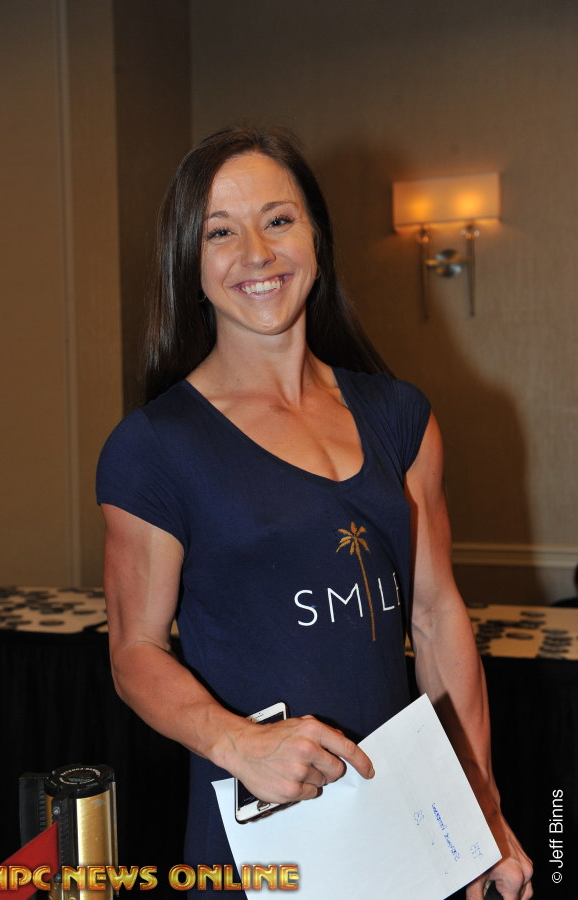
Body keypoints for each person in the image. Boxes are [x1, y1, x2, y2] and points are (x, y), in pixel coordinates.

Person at [96, 126, 533, 898]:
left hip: (403, 829)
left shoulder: (399, 416)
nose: (256, 252)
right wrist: (238, 743)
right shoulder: (155, 445)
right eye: (220, 232)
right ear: (189, 263)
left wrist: (481, 805)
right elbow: (134, 651)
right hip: (261, 846)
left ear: (316, 240)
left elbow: (435, 616)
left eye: (278, 220)